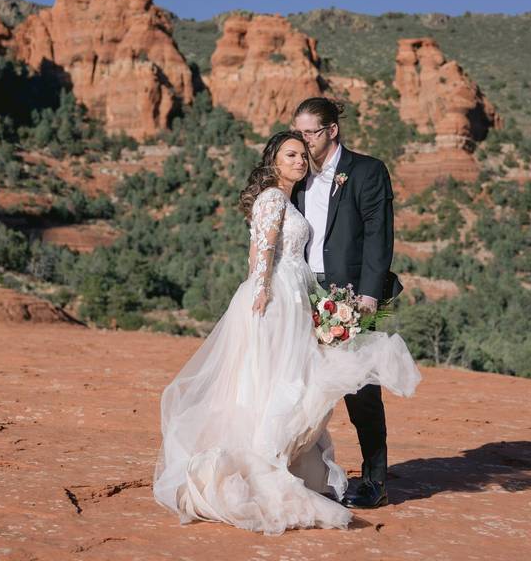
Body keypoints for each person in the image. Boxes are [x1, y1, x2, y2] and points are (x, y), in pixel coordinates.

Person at [152, 130, 420, 535]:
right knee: (277, 379)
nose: (299, 160)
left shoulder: (289, 196)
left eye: (302, 154)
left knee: (284, 377)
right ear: (273, 161)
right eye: (290, 154)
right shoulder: (275, 198)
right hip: (278, 298)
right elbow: (260, 252)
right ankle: (263, 463)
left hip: (297, 297)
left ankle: (279, 459)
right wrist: (260, 294)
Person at [292, 97, 403, 509]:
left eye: (310, 132)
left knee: (362, 390)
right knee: (305, 386)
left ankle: (375, 481)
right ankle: (307, 474)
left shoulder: (368, 171)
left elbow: (379, 235)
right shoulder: (298, 173)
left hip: (358, 293)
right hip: (305, 292)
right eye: (299, 131)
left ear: (332, 131)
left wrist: (371, 293)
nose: (303, 139)